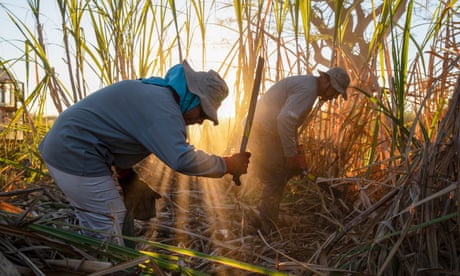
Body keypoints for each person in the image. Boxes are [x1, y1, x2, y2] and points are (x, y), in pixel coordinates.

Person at [39, 60, 251, 240]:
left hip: (69, 146)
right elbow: (181, 159)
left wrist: (126, 176)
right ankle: (110, 268)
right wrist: (227, 164)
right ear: (192, 96)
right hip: (74, 150)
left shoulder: (157, 94)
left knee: (98, 226)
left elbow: (115, 134)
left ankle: (92, 263)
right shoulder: (164, 106)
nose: (199, 121)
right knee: (110, 227)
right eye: (202, 112)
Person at [245, 67, 350, 232]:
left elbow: (289, 124)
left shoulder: (307, 85)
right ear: (326, 81)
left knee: (283, 172)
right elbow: (285, 120)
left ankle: (265, 215)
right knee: (277, 173)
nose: (332, 98)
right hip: (261, 131)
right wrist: (291, 156)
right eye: (335, 92)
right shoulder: (308, 90)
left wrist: (297, 152)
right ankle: (264, 222)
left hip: (264, 130)